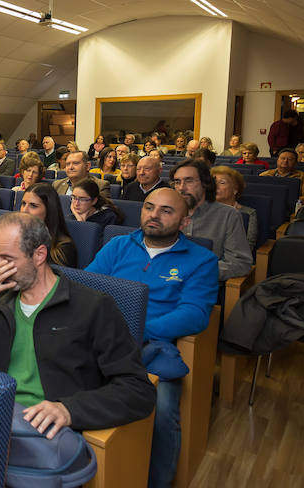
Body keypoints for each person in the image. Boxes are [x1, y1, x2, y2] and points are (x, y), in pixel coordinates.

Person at [0, 213, 155, 437]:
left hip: (50, 430)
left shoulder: (93, 306)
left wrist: (69, 409)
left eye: (8, 259)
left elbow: (138, 389)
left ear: (39, 255)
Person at [85, 188, 217, 488]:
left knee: (163, 411)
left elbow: (194, 314)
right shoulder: (118, 245)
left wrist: (136, 328)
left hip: (153, 347)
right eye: (149, 207)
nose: (154, 215)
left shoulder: (201, 260)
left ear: (184, 222)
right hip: (101, 337)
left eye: (166, 211)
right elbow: (88, 284)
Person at [170, 159, 252, 282]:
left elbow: (240, 263)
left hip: (201, 285)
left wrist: (197, 270)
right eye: (177, 182)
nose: (181, 188)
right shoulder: (165, 211)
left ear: (205, 183)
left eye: (189, 181)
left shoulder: (228, 215)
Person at [20, 183, 77, 267]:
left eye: (33, 206)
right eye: (23, 203)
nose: (24, 210)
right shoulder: (17, 235)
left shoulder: (63, 249)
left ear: (49, 210)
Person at [211, 166, 258, 250]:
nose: (215, 186)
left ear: (235, 189)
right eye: (213, 182)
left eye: (222, 182)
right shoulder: (202, 209)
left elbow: (247, 246)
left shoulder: (248, 213)